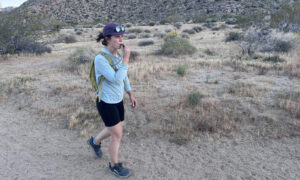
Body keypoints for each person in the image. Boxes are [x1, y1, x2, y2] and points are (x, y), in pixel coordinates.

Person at [87, 23, 137, 178]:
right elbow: (116, 79)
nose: (120, 40)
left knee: (115, 128)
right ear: (107, 38)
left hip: (117, 100)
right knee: (117, 135)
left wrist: (130, 93)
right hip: (106, 102)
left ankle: (94, 142)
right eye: (117, 37)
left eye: (122, 36)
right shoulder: (100, 59)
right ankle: (114, 165)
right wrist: (127, 59)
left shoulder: (117, 55)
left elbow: (124, 77)